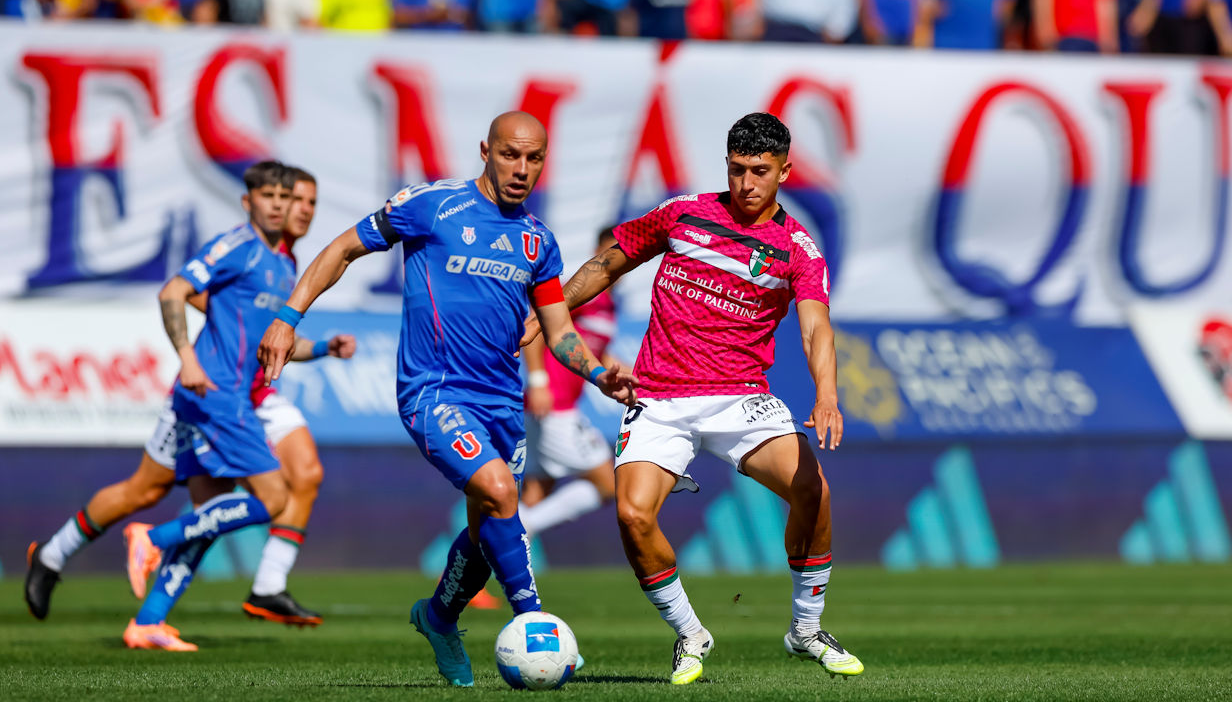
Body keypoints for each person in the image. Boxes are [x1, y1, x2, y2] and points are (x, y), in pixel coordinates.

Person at [256, 111, 635, 687]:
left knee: (491, 520)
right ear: (485, 150)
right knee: (501, 490)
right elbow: (341, 250)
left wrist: (597, 373)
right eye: (510, 155)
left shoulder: (539, 241)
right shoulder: (431, 206)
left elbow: (558, 330)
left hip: (502, 405)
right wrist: (288, 316)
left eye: (534, 159)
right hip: (433, 392)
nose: (522, 169)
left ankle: (438, 618)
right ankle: (536, 623)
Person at [522, 112, 860, 684]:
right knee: (631, 514)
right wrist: (550, 313)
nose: (747, 184)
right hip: (660, 398)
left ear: (785, 170)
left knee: (813, 489)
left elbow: (815, 327)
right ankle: (691, 633)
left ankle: (806, 628)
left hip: (740, 399)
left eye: (760, 171)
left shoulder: (797, 248)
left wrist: (827, 393)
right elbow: (605, 265)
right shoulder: (682, 213)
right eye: (737, 170)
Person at [24, 167, 350, 629]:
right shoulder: (239, 248)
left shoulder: (285, 265)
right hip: (216, 397)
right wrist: (189, 356)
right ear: (251, 201)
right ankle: (90, 549)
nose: (294, 208)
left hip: (241, 396)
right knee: (156, 491)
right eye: (286, 197)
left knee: (218, 508)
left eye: (303, 201)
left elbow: (268, 337)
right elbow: (178, 291)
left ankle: (154, 619)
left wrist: (322, 348)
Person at [519, 228, 620, 538]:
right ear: (597, 250)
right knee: (610, 484)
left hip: (551, 408)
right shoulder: (582, 291)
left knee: (534, 495)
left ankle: (467, 576)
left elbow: (595, 352)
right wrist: (537, 381)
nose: (617, 257)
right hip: (554, 406)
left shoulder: (608, 303)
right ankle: (524, 527)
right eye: (610, 250)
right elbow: (535, 324)